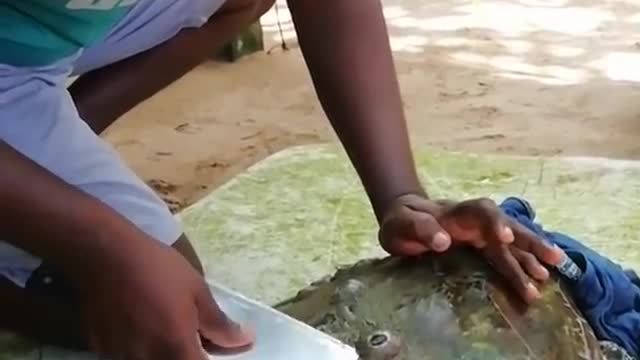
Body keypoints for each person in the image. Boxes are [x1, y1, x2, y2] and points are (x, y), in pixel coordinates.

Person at [0, 0, 564, 359]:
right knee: (150, 305)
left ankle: (56, 129)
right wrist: (101, 247)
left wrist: (400, 192)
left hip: (52, 28)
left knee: (172, 297)